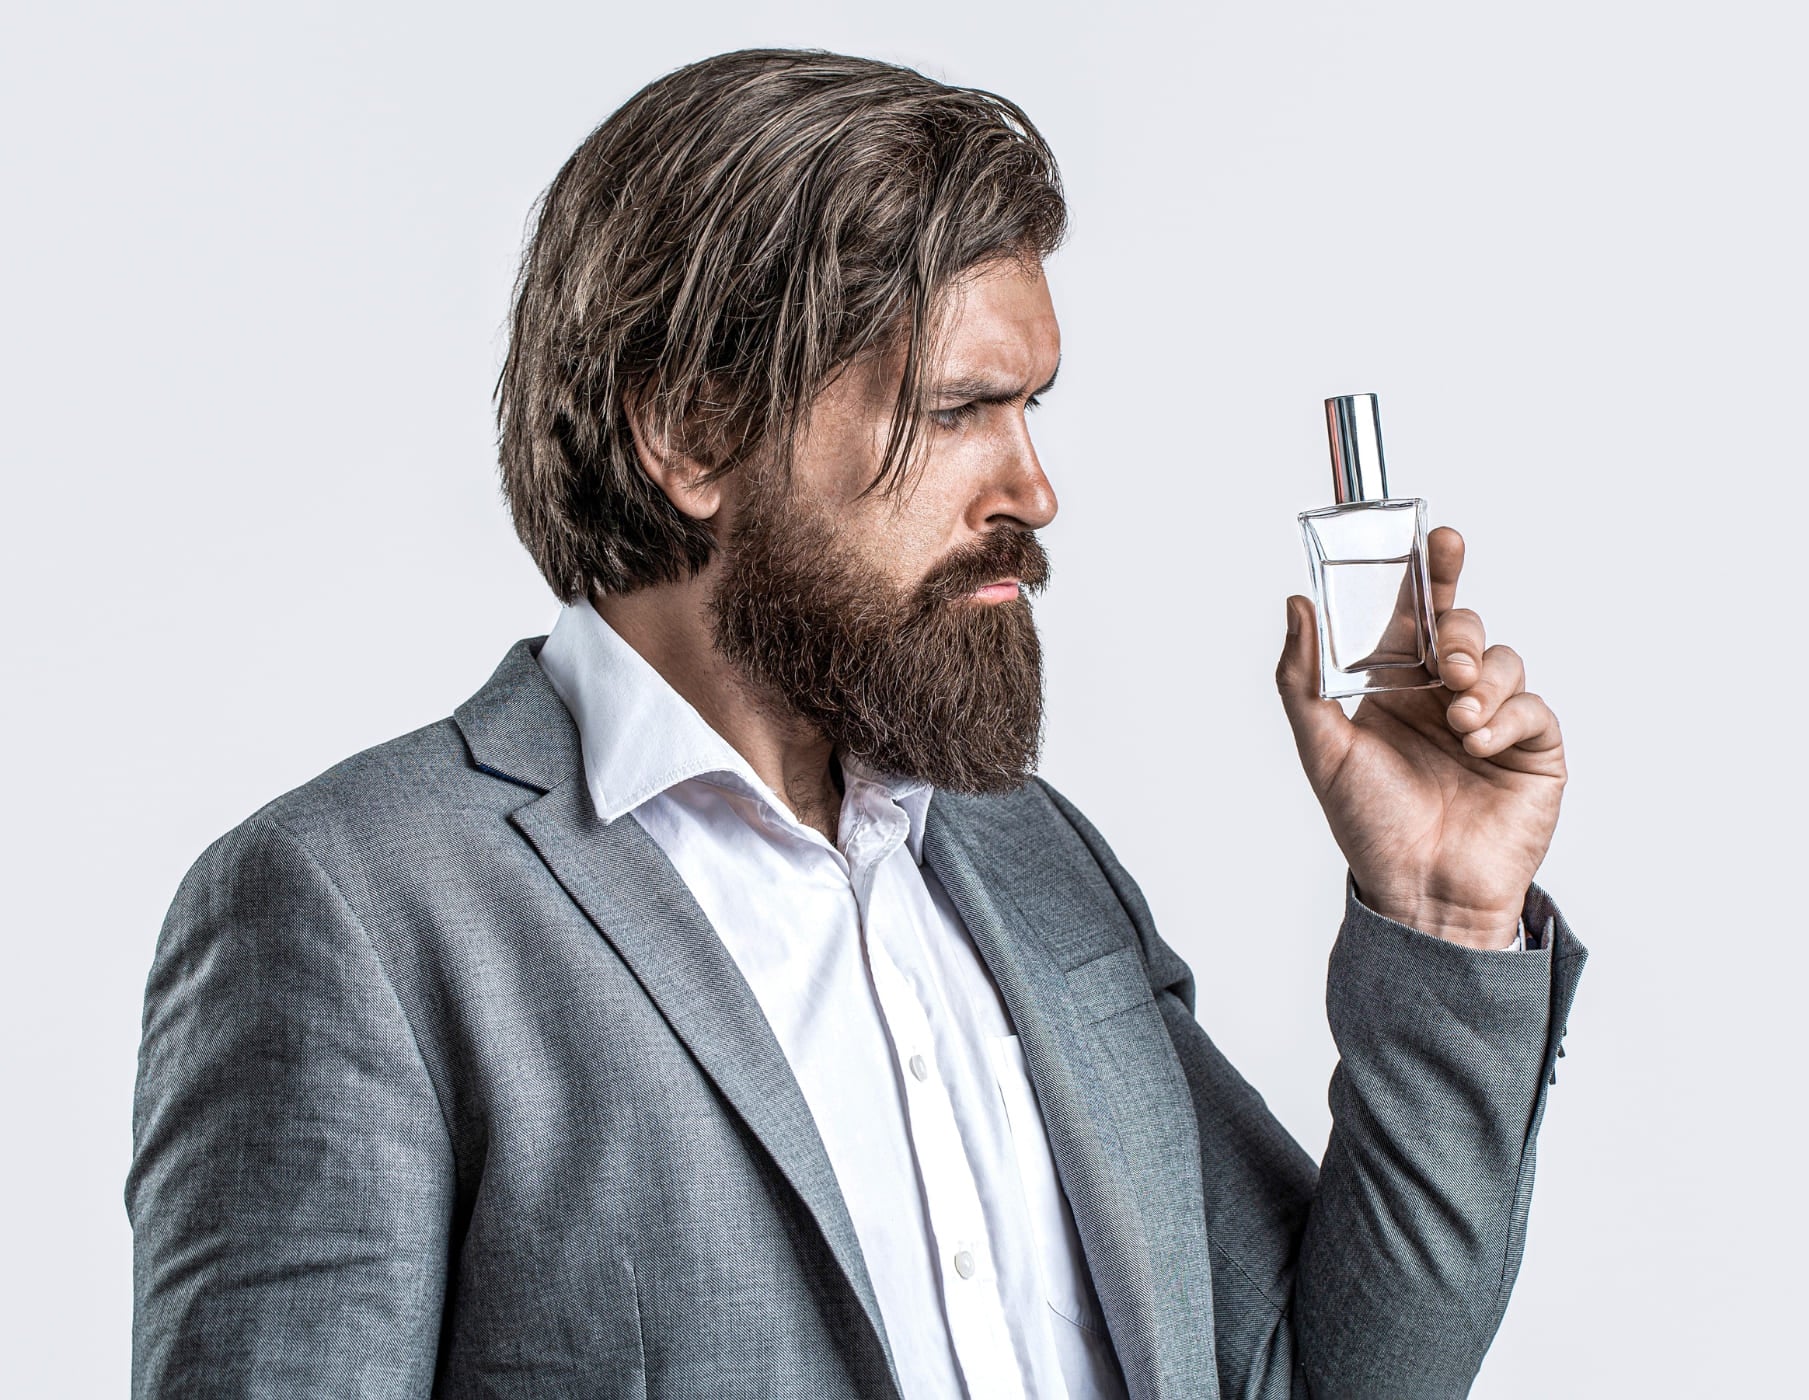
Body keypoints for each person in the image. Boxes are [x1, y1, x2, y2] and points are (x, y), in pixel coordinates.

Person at [127, 48, 1585, 1400]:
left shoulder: (1029, 858)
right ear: (693, 434)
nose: (1035, 487)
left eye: (1036, 408)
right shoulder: (353, 911)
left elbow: (1316, 1377)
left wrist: (1443, 910)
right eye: (962, 411)